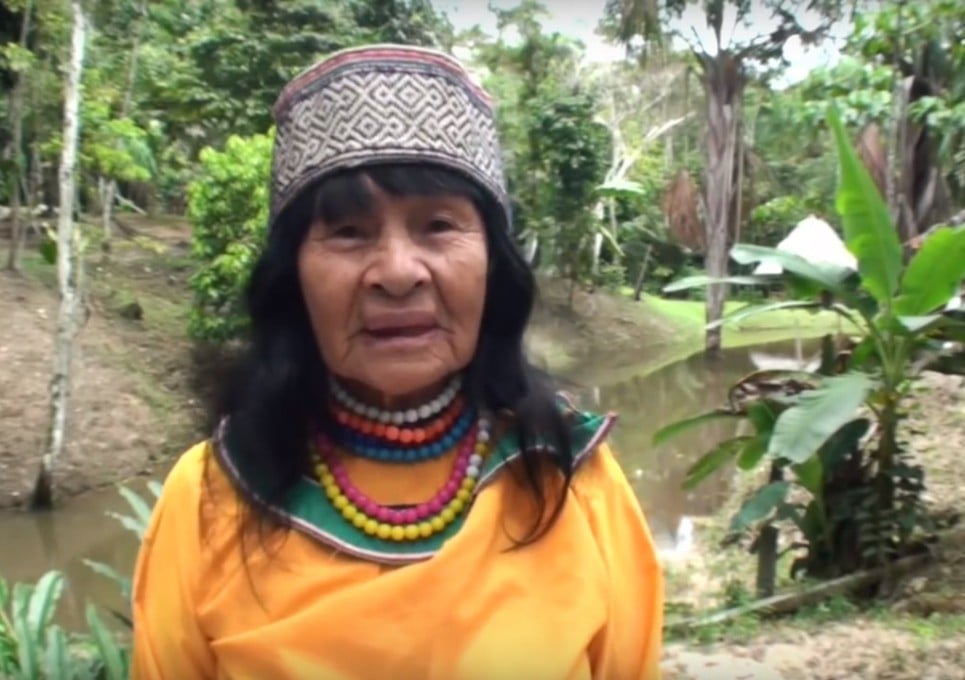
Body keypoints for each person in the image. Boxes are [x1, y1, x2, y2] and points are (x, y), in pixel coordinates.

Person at [130, 43, 664, 680]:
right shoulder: (211, 497)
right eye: (349, 232)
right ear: (293, 274)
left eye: (438, 225)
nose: (397, 273)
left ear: (492, 263)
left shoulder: (571, 478)